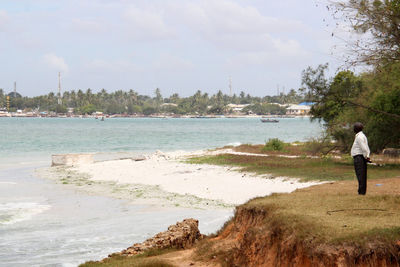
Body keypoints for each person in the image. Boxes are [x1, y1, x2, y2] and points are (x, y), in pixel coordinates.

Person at [350, 122, 370, 195]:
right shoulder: (362, 136)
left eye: (354, 128)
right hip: (361, 157)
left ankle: (361, 192)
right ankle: (361, 191)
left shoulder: (359, 137)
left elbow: (364, 148)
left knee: (360, 175)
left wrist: (366, 156)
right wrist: (367, 156)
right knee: (362, 175)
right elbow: (367, 147)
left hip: (359, 157)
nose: (353, 129)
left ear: (357, 129)